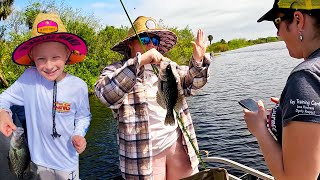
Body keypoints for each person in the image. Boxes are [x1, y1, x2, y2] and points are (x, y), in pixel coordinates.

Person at [95, 16, 211, 179]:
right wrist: (139, 62)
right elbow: (104, 95)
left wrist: (198, 60)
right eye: (144, 38)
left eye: (154, 41)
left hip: (177, 143)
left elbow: (191, 85)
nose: (150, 44)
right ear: (130, 43)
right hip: (143, 157)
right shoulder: (117, 69)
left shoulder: (167, 64)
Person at [0, 12, 91, 180]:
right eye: (41, 59)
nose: (49, 66)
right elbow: (3, 98)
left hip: (67, 163)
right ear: (33, 58)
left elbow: (84, 117)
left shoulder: (79, 86)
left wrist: (79, 134)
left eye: (55, 57)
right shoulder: (28, 79)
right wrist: (3, 112)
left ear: (67, 55)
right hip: (37, 162)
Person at [242, 0, 320, 179]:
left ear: (298, 20)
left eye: (277, 23)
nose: (277, 34)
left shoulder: (306, 77)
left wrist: (260, 129)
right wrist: (290, 107)